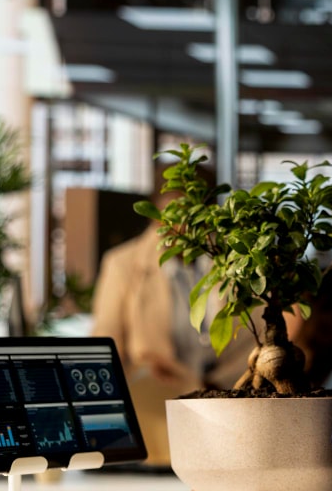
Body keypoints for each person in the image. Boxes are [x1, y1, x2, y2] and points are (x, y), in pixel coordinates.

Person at [90, 190, 257, 466]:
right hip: (153, 407)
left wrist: (214, 385)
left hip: (223, 405)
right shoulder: (122, 264)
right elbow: (105, 347)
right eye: (172, 217)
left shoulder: (236, 262)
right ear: (156, 216)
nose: (181, 228)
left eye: (191, 217)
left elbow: (252, 336)